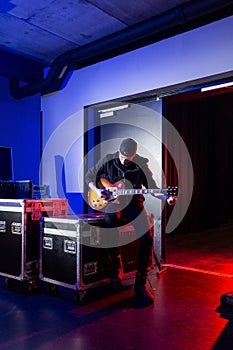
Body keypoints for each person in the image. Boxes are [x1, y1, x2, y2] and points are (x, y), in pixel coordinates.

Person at [85, 138, 176, 306]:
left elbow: (153, 189)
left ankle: (140, 286)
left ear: (135, 155)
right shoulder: (108, 159)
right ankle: (115, 266)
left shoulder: (141, 164)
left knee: (147, 239)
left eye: (129, 158)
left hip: (134, 203)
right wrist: (98, 190)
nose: (124, 160)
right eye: (122, 157)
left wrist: (167, 197)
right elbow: (89, 177)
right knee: (110, 220)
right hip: (113, 203)